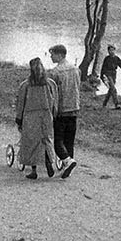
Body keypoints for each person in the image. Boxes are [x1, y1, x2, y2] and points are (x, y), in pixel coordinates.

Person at [13, 58, 59, 180]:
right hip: (46, 115)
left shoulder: (26, 85)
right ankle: (48, 160)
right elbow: (55, 101)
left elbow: (21, 103)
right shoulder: (50, 83)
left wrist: (19, 119)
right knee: (46, 139)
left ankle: (34, 170)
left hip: (30, 116)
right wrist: (54, 114)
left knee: (31, 142)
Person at [46, 44, 82, 178]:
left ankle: (68, 161)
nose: (51, 56)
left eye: (53, 54)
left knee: (58, 141)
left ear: (60, 55)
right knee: (69, 140)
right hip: (74, 108)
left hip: (61, 110)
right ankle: (68, 165)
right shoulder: (76, 70)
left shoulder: (55, 73)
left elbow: (52, 93)